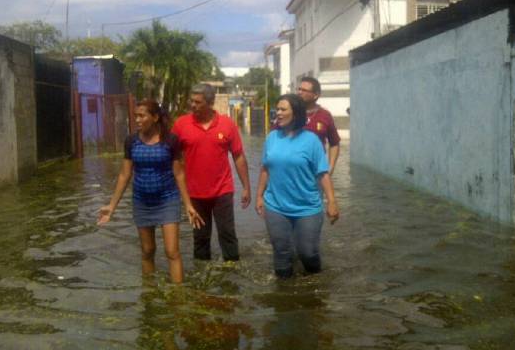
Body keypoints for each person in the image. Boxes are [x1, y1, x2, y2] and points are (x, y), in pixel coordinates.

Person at [97, 99, 203, 284]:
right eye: (136, 115)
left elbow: (178, 173)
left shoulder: (170, 140)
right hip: (141, 202)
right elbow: (124, 174)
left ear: (154, 117)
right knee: (147, 251)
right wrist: (112, 207)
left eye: (141, 115)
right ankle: (150, 295)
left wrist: (188, 205)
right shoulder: (131, 141)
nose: (137, 119)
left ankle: (178, 298)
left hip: (167, 200)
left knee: (172, 252)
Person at [255, 94, 339, 278]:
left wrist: (331, 202)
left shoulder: (311, 141)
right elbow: (265, 169)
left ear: (296, 113)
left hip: (307, 207)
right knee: (281, 253)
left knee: (307, 253)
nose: (278, 113)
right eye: (277, 109)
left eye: (283, 109)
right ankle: (283, 298)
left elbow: (323, 173)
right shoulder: (272, 138)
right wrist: (259, 196)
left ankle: (315, 288)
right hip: (276, 206)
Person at [172, 83, 251, 262]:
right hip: (195, 194)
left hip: (222, 190)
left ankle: (232, 276)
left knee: (228, 234)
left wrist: (246, 187)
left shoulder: (227, 124)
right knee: (200, 238)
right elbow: (173, 159)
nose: (193, 105)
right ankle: (201, 280)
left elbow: (238, 156)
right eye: (191, 101)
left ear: (210, 103)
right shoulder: (181, 125)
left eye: (197, 102)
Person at [297, 77, 341, 175]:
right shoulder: (290, 113)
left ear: (315, 95)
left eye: (304, 90)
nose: (299, 92)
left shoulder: (325, 115)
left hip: (315, 172)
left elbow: (334, 143)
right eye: (299, 89)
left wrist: (331, 167)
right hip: (291, 172)